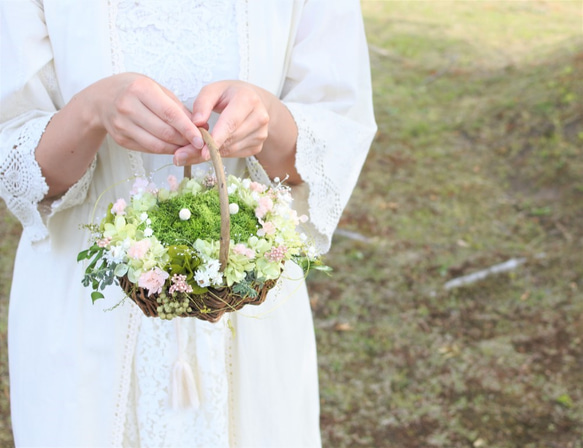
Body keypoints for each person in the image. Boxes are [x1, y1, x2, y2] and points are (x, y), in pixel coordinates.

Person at [0, 1, 376, 446]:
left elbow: (334, 141)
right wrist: (92, 111)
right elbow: (16, 164)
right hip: (84, 317)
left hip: (248, 307)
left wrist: (269, 121)